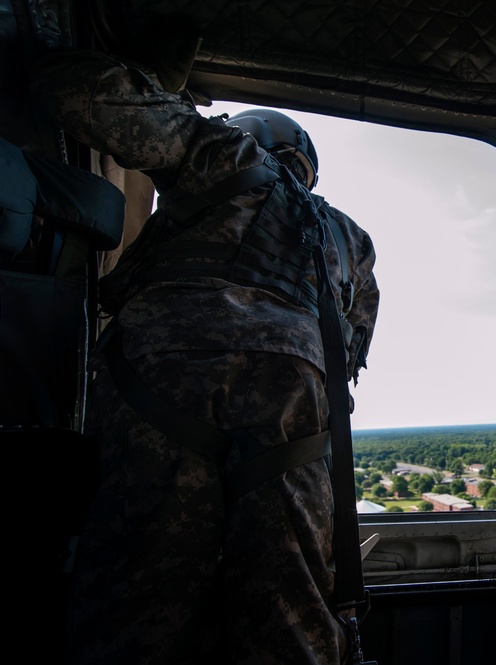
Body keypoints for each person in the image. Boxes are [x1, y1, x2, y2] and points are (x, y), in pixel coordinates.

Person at [32, 49, 378, 664]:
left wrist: (61, 55)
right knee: (289, 607)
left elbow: (85, 98)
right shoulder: (350, 237)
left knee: (140, 599)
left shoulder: (224, 155)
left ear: (249, 137)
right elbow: (350, 348)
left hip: (164, 385)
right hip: (295, 412)